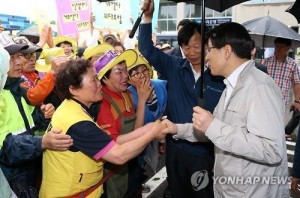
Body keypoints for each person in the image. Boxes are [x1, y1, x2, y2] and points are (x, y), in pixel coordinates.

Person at [162, 22, 290, 198]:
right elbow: (212, 130)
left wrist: (213, 125)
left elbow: (272, 150)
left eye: (209, 49)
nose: (206, 57)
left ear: (227, 51)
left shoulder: (258, 87)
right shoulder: (230, 85)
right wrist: (177, 129)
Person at [39, 59, 167, 197]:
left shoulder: (71, 107)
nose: (100, 84)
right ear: (74, 89)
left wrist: (151, 127)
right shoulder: (78, 123)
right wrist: (153, 132)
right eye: (94, 80)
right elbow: (119, 155)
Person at [139, 1, 225, 197]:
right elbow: (146, 49)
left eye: (197, 46)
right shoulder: (174, 66)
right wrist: (148, 18)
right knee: (177, 192)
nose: (191, 52)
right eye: (186, 47)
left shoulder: (219, 75)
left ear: (207, 44)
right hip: (175, 149)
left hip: (205, 151)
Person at [0, 33, 73, 197]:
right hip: (9, 180)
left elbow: (31, 124)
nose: (18, 62)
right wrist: (41, 142)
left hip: (29, 172)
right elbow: (5, 148)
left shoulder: (18, 88)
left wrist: (43, 116)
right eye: (10, 57)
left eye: (19, 56)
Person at [96, 49, 149, 198]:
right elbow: (114, 142)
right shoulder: (103, 101)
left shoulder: (127, 94)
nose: (126, 76)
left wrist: (143, 100)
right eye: (119, 72)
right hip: (113, 168)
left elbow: (136, 130)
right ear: (105, 78)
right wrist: (151, 132)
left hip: (131, 161)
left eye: (126, 70)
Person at [127, 52, 168, 190]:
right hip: (138, 141)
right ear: (129, 79)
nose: (142, 75)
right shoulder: (128, 96)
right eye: (136, 73)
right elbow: (135, 130)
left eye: (144, 70)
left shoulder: (161, 85)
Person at [262, 37, 300, 108]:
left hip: (281, 102)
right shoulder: (267, 62)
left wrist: (297, 101)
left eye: (281, 46)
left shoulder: (292, 64)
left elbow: (296, 83)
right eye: (277, 46)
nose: (278, 49)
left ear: (288, 48)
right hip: (266, 99)